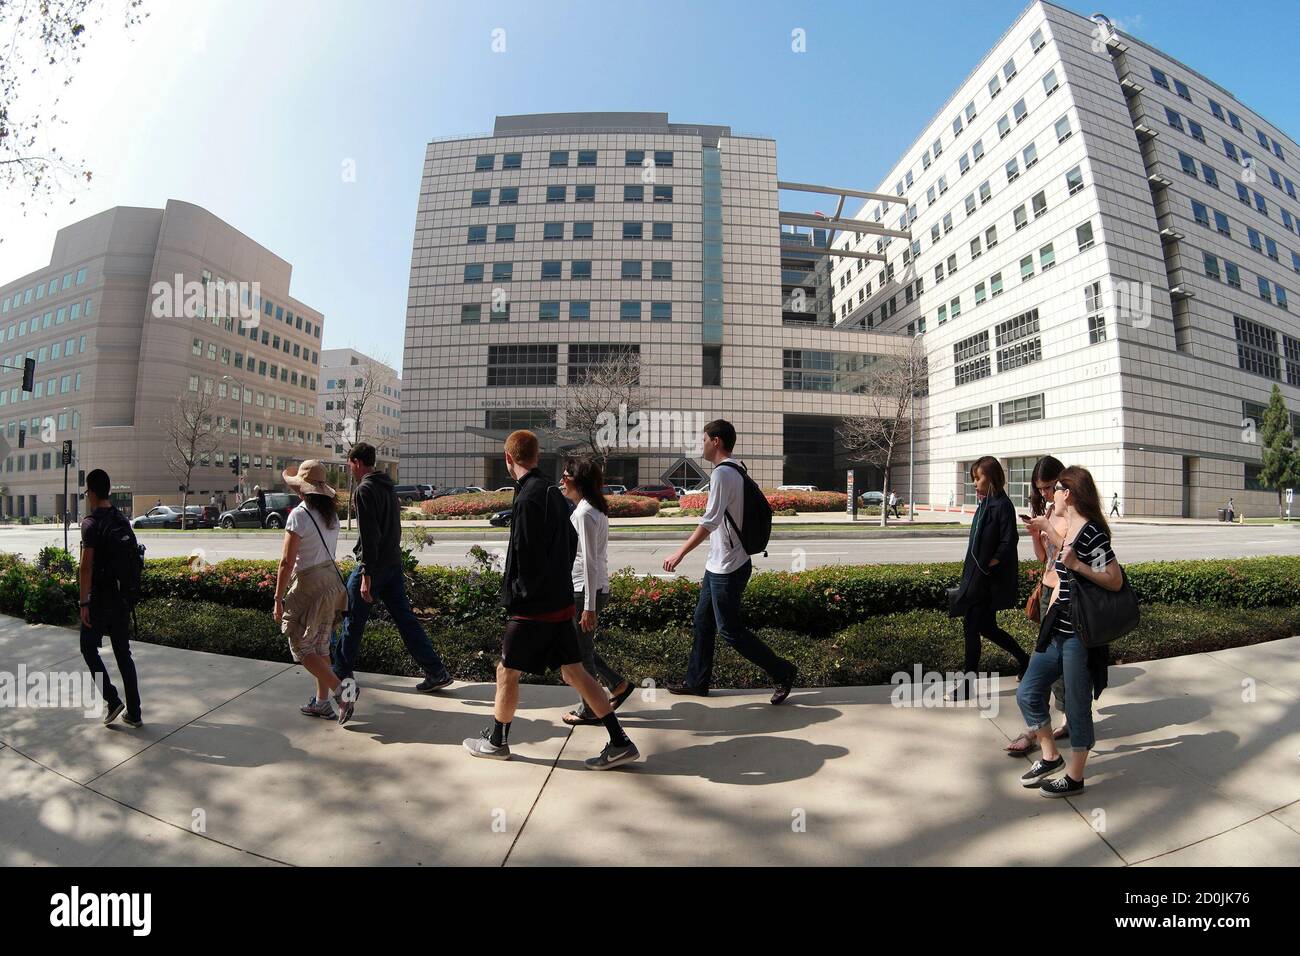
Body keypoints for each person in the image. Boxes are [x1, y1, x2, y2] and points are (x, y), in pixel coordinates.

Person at [463, 431, 638, 769]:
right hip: (558, 602)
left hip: (533, 607)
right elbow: (567, 547)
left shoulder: (529, 497)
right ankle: (619, 742)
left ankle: (497, 741)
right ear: (537, 456)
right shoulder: (553, 495)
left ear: (508, 458)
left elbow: (525, 555)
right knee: (575, 671)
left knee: (506, 671)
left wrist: (518, 596)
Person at [662, 419, 797, 704]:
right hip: (718, 564)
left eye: (703, 440)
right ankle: (696, 682)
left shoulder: (723, 474)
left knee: (730, 630)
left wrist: (679, 553)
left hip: (729, 567)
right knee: (702, 621)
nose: (701, 445)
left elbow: (709, 522)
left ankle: (783, 672)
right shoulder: (737, 469)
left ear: (716, 441)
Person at [1018, 466, 1121, 796]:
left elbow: (1114, 579)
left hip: (1078, 635)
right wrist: (1046, 530)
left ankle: (1075, 777)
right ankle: (1050, 756)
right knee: (1028, 693)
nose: (1051, 493)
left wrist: (1077, 566)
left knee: (1076, 705)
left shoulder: (1093, 534)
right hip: (1055, 628)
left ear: (1070, 494)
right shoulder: (1072, 529)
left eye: (1057, 488)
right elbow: (1061, 560)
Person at [330, 442, 453, 694]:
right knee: (406, 620)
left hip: (374, 568)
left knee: (352, 620)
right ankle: (436, 671)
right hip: (392, 565)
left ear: (357, 463)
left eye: (350, 465)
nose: (349, 470)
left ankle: (340, 674)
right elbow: (392, 530)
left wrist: (366, 573)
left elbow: (369, 535)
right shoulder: (388, 488)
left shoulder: (364, 490)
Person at [275, 460, 353, 723]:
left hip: (310, 587)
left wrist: (277, 598)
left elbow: (287, 562)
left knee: (300, 646)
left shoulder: (299, 514)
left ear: (301, 489)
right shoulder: (331, 517)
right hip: (332, 584)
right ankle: (321, 704)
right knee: (321, 646)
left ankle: (341, 691)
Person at [559, 457, 634, 727]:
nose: (561, 481)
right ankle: (618, 685)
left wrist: (589, 606)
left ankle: (590, 709)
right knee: (582, 648)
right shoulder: (590, 509)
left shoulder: (585, 513)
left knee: (580, 653)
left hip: (585, 590)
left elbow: (590, 561)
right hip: (588, 588)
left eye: (565, 477)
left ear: (577, 480)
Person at [947, 456, 1025, 701]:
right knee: (986, 628)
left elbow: (1009, 539)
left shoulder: (1002, 505)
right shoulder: (985, 504)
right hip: (976, 577)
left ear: (992, 477)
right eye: (973, 478)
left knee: (972, 627)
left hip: (987, 581)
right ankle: (1026, 660)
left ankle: (968, 686)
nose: (974, 483)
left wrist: (992, 561)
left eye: (978, 478)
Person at [1006, 456, 1069, 755]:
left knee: (1052, 660)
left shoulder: (1073, 510)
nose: (1044, 493)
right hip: (1047, 590)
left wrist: (1049, 527)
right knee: (1051, 659)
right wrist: (1036, 534)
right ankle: (1048, 723)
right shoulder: (1046, 510)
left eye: (1048, 487)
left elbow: (1073, 553)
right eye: (1040, 488)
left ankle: (1048, 725)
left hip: (1067, 596)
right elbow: (1045, 559)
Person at [79, 469, 143, 728]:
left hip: (99, 600)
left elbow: (86, 567)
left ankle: (112, 699)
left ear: (92, 492)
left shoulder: (91, 524)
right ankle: (135, 713)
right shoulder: (121, 520)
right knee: (122, 653)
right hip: (121, 598)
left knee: (87, 648)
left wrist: (84, 602)